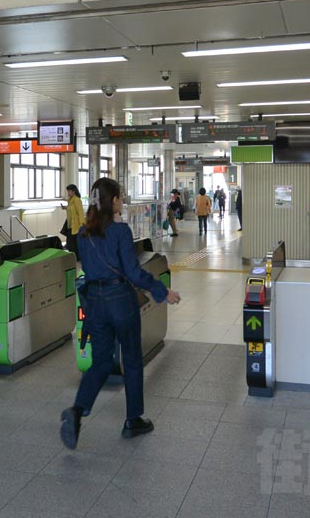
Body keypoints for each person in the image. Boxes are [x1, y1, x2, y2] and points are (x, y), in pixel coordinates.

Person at [60, 178, 181, 449]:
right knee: (132, 359)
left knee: (101, 362)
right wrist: (162, 292)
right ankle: (133, 419)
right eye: (120, 196)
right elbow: (133, 272)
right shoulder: (120, 231)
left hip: (95, 303)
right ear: (112, 200)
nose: (123, 201)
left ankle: (78, 411)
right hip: (120, 302)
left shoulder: (83, 234)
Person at [62, 184, 85, 258]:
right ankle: (72, 256)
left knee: (74, 243)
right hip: (70, 224)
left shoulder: (77, 200)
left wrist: (82, 225)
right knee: (70, 242)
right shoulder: (70, 200)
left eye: (69, 191)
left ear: (73, 191)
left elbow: (80, 213)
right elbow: (71, 209)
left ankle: (76, 257)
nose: (68, 193)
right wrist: (65, 207)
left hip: (76, 225)